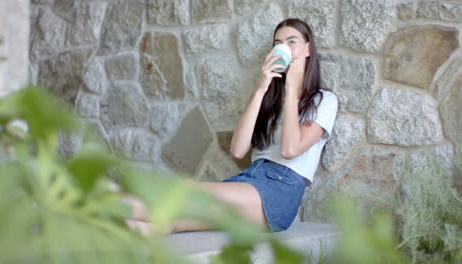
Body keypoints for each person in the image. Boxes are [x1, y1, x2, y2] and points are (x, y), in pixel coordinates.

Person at [124, 18, 338, 234]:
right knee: (178, 218)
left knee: (188, 191)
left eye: (292, 42)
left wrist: (292, 89)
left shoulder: (324, 100)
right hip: (249, 179)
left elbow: (290, 150)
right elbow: (237, 150)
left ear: (308, 48)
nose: (284, 48)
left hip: (280, 190)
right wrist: (261, 89)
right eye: (278, 44)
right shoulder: (270, 99)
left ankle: (100, 208)